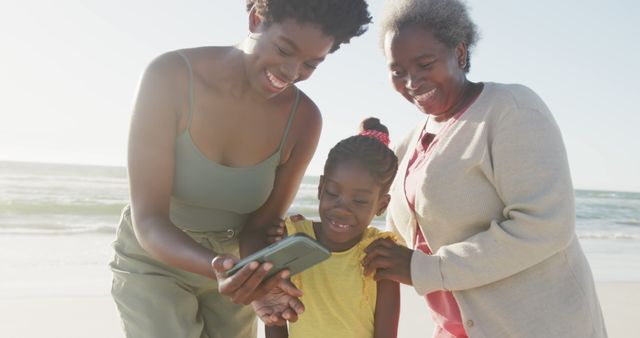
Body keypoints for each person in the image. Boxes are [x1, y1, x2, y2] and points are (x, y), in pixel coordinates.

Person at [109, 1, 371, 337]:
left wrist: (260, 281)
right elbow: (149, 222)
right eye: (284, 49)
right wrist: (218, 268)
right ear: (256, 18)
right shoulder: (169, 76)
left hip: (236, 272)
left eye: (310, 64)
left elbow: (259, 226)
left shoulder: (303, 120)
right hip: (155, 262)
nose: (292, 73)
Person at [361, 0, 608, 337]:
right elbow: (398, 238)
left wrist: (428, 270)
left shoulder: (512, 110)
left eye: (424, 63)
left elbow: (546, 226)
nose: (412, 81)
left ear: (460, 53)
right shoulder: (410, 142)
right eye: (397, 71)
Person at [265, 117, 400, 338]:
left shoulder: (380, 252)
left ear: (382, 205)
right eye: (333, 193)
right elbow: (274, 317)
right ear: (320, 188)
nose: (342, 208)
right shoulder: (292, 237)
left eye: (359, 201)